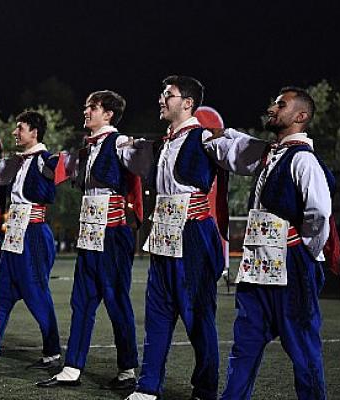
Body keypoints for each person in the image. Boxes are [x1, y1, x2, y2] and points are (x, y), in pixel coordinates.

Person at [127, 76, 243, 400]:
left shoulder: (206, 138)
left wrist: (262, 146)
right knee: (157, 313)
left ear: (188, 103)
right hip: (163, 234)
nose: (162, 100)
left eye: (169, 95)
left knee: (198, 316)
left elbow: (238, 152)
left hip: (193, 234)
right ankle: (148, 385)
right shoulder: (163, 144)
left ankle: (205, 388)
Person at [217, 87, 333, 400]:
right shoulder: (272, 153)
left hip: (291, 264)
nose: (272, 107)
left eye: (280, 104)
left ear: (301, 116)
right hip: (258, 267)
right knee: (245, 345)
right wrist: (214, 133)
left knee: (302, 346)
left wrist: (305, 250)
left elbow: (319, 212)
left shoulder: (303, 160)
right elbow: (238, 148)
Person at [37, 90, 143, 391]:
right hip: (90, 234)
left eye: (92, 107)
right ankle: (72, 367)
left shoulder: (120, 142)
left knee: (116, 299)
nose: (86, 112)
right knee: (81, 301)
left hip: (112, 233)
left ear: (108, 114)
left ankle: (127, 369)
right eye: (86, 107)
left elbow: (143, 162)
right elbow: (54, 169)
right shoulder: (85, 149)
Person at [0, 110, 62, 369]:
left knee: (36, 293)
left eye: (20, 128)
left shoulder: (44, 159)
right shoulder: (17, 162)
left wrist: (63, 161)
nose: (15, 132)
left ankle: (53, 351)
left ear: (34, 132)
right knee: (3, 294)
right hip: (13, 235)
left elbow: (62, 169)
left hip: (33, 233)